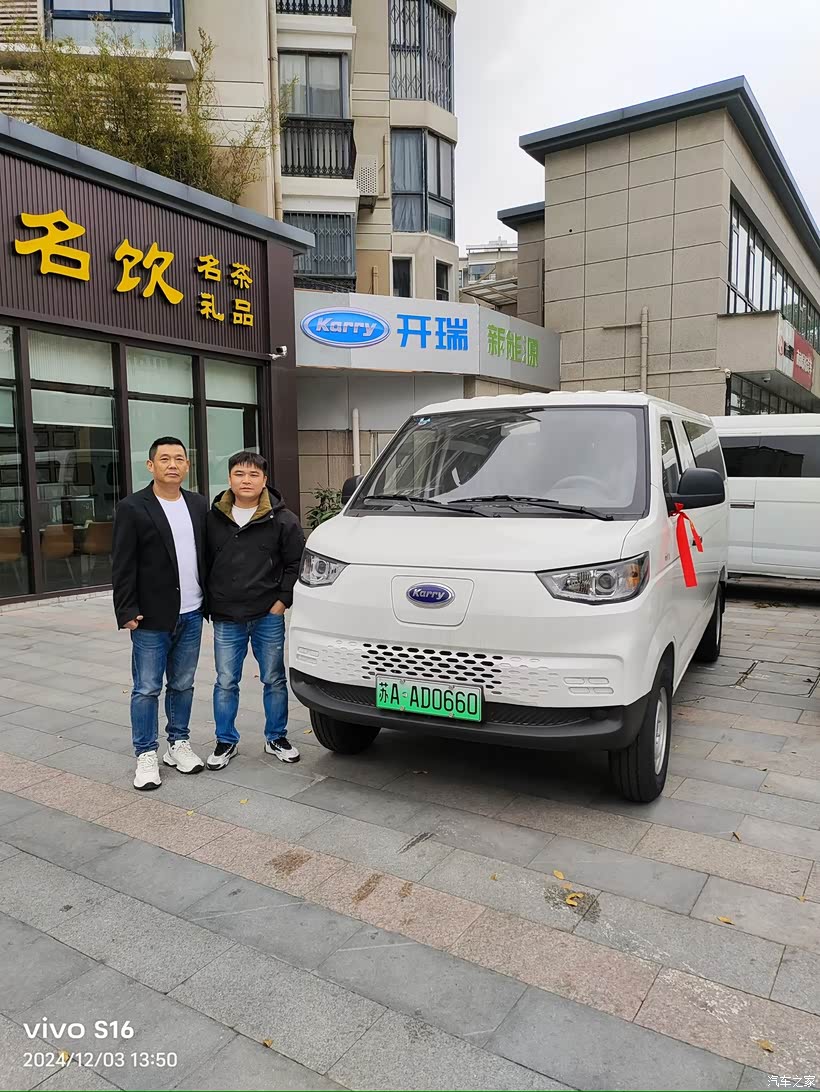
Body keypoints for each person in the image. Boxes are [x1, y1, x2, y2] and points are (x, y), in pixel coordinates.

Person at [111, 437, 208, 790]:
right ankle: (146, 753)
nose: (172, 464)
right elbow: (122, 563)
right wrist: (126, 609)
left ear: (187, 466)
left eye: (179, 459)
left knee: (182, 684)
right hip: (151, 616)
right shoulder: (133, 507)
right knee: (147, 688)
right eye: (164, 459)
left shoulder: (198, 504)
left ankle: (178, 743)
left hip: (192, 612)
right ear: (150, 465)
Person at [204, 451, 305, 769]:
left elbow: (296, 563)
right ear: (229, 478)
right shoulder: (213, 518)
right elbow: (203, 562)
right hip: (227, 615)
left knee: (274, 679)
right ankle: (225, 740)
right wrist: (211, 602)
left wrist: (281, 602)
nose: (245, 480)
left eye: (253, 475)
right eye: (239, 474)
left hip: (267, 615)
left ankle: (276, 737)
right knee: (225, 681)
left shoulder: (283, 519)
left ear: (264, 480)